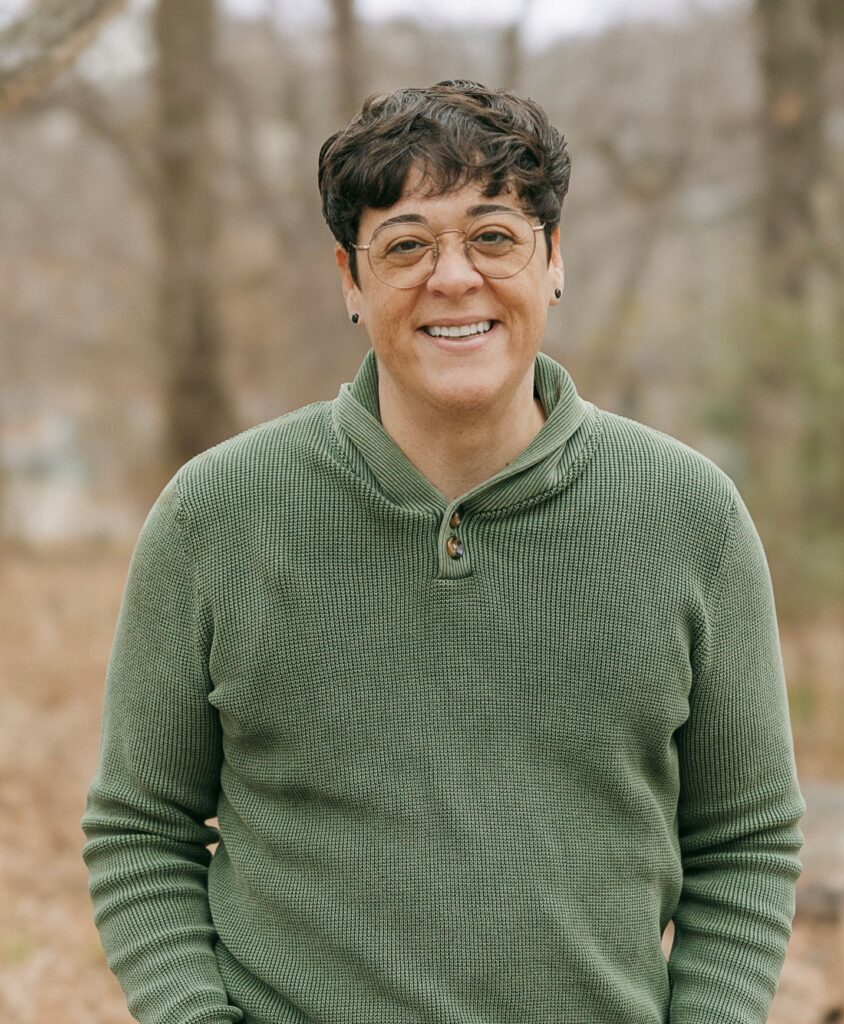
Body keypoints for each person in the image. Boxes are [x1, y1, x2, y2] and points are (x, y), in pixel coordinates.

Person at [82, 80, 805, 1024]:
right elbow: (140, 827)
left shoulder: (688, 514)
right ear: (350, 277)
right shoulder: (216, 513)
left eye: (494, 237)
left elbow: (745, 839)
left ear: (553, 260)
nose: (453, 278)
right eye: (408, 245)